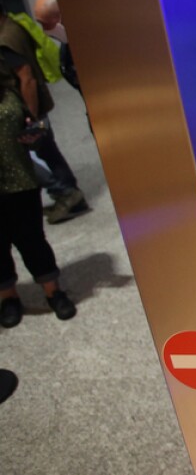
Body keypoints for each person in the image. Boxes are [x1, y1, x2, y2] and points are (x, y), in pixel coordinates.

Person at [1, 46, 77, 328]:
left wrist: (32, 133)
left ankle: (52, 291)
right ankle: (8, 297)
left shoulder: (9, 97)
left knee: (32, 238)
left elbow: (28, 126)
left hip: (20, 181)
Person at [0, 0, 88, 224]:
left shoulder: (6, 39)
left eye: (45, 21)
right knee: (45, 150)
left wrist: (29, 117)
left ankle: (65, 192)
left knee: (23, 157)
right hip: (31, 106)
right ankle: (67, 191)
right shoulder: (14, 26)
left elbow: (26, 78)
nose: (42, 27)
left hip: (25, 110)